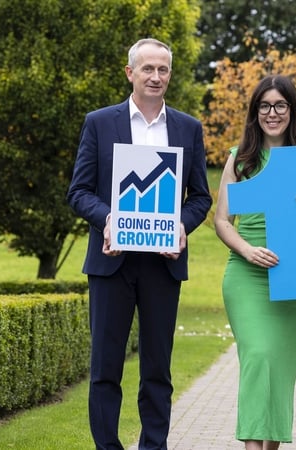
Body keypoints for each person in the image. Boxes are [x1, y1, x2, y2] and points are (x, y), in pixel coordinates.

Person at [67, 38, 212, 450]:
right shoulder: (99, 122)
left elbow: (201, 197)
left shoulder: (188, 128)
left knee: (157, 370)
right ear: (130, 72)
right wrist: (109, 220)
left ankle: (154, 445)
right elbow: (79, 191)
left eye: (163, 69)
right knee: (104, 369)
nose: (156, 76)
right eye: (147, 69)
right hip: (111, 261)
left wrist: (182, 226)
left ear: (170, 74)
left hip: (162, 263)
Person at [214, 74, 296, 450]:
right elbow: (221, 221)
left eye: (280, 105)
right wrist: (247, 250)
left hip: (293, 277)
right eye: (264, 106)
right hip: (247, 275)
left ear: (292, 110)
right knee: (258, 360)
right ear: (255, 112)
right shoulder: (239, 158)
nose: (272, 113)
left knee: (279, 372)